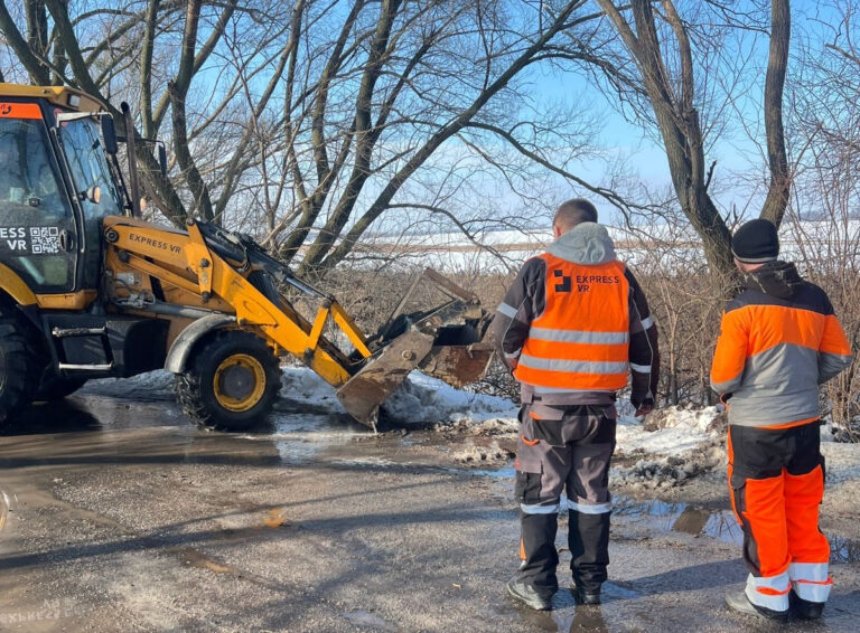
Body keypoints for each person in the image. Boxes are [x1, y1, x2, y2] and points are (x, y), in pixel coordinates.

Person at [493, 198, 659, 610]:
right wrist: (644, 392)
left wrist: (522, 373)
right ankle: (590, 586)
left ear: (557, 230)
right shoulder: (621, 275)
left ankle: (537, 586)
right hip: (600, 411)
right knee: (592, 496)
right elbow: (646, 341)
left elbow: (503, 335)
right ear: (595, 229)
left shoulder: (540, 269)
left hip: (545, 409)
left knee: (539, 494)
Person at [711, 218, 853, 621]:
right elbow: (841, 356)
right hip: (805, 423)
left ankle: (769, 595)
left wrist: (738, 392)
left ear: (740, 261)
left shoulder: (742, 305)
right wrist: (803, 381)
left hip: (756, 427)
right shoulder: (815, 298)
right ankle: (811, 595)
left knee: (761, 510)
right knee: (803, 506)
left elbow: (722, 377)